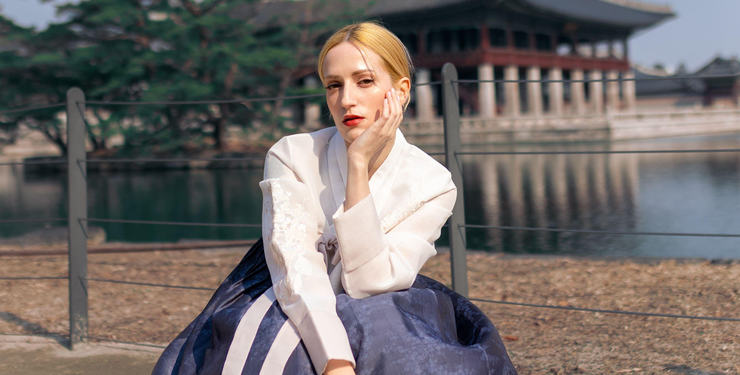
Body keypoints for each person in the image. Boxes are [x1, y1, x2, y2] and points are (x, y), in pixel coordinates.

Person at [152, 22, 516, 375]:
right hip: (290, 290)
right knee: (277, 344)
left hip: (383, 299)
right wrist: (335, 360)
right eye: (333, 86)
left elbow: (369, 283)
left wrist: (357, 165)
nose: (346, 100)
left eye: (365, 81)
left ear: (401, 90)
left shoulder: (433, 182)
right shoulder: (291, 155)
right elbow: (297, 269)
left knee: (399, 340)